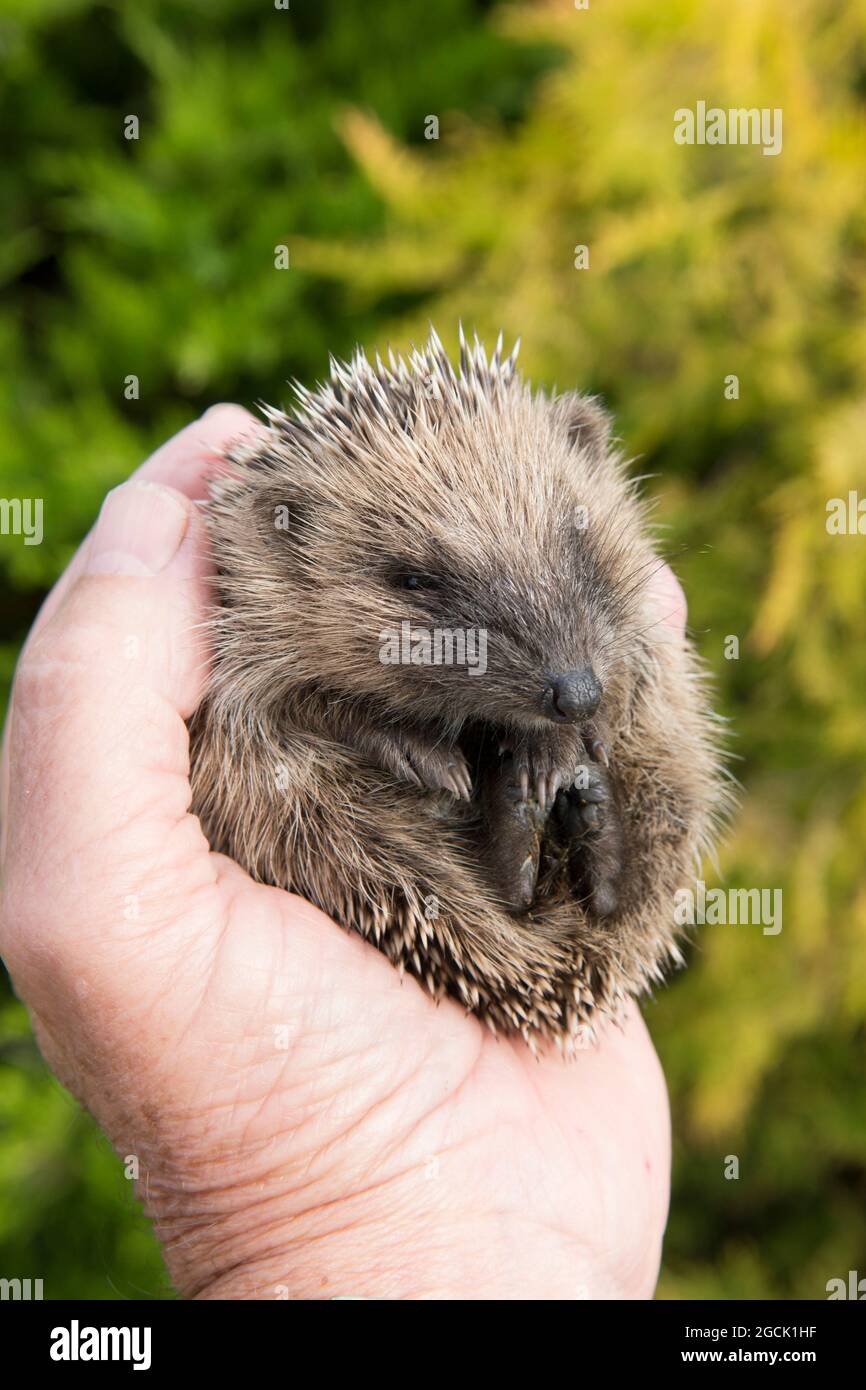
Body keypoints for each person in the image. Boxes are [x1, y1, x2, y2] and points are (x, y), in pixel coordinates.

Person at [0, 406, 684, 1300]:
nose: (567, 675)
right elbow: (255, 717)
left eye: (573, 556)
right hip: (398, 882)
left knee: (645, 715)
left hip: (565, 911)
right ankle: (529, 826)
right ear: (277, 542)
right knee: (270, 771)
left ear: (589, 458)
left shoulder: (579, 644)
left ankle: (562, 810)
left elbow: (599, 667)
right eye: (423, 585)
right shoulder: (260, 612)